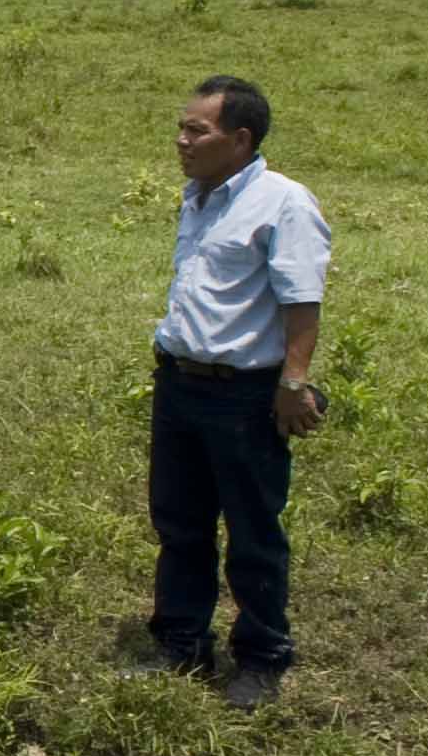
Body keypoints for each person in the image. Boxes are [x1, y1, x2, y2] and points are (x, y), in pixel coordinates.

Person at [138, 74, 329, 711]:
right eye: (182, 127)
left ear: (240, 139)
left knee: (253, 530)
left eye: (198, 130)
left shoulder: (284, 203)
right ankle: (182, 641)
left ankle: (263, 655)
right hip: (181, 385)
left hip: (244, 394)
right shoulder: (200, 197)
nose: (181, 140)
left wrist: (292, 385)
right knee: (180, 522)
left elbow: (302, 305)